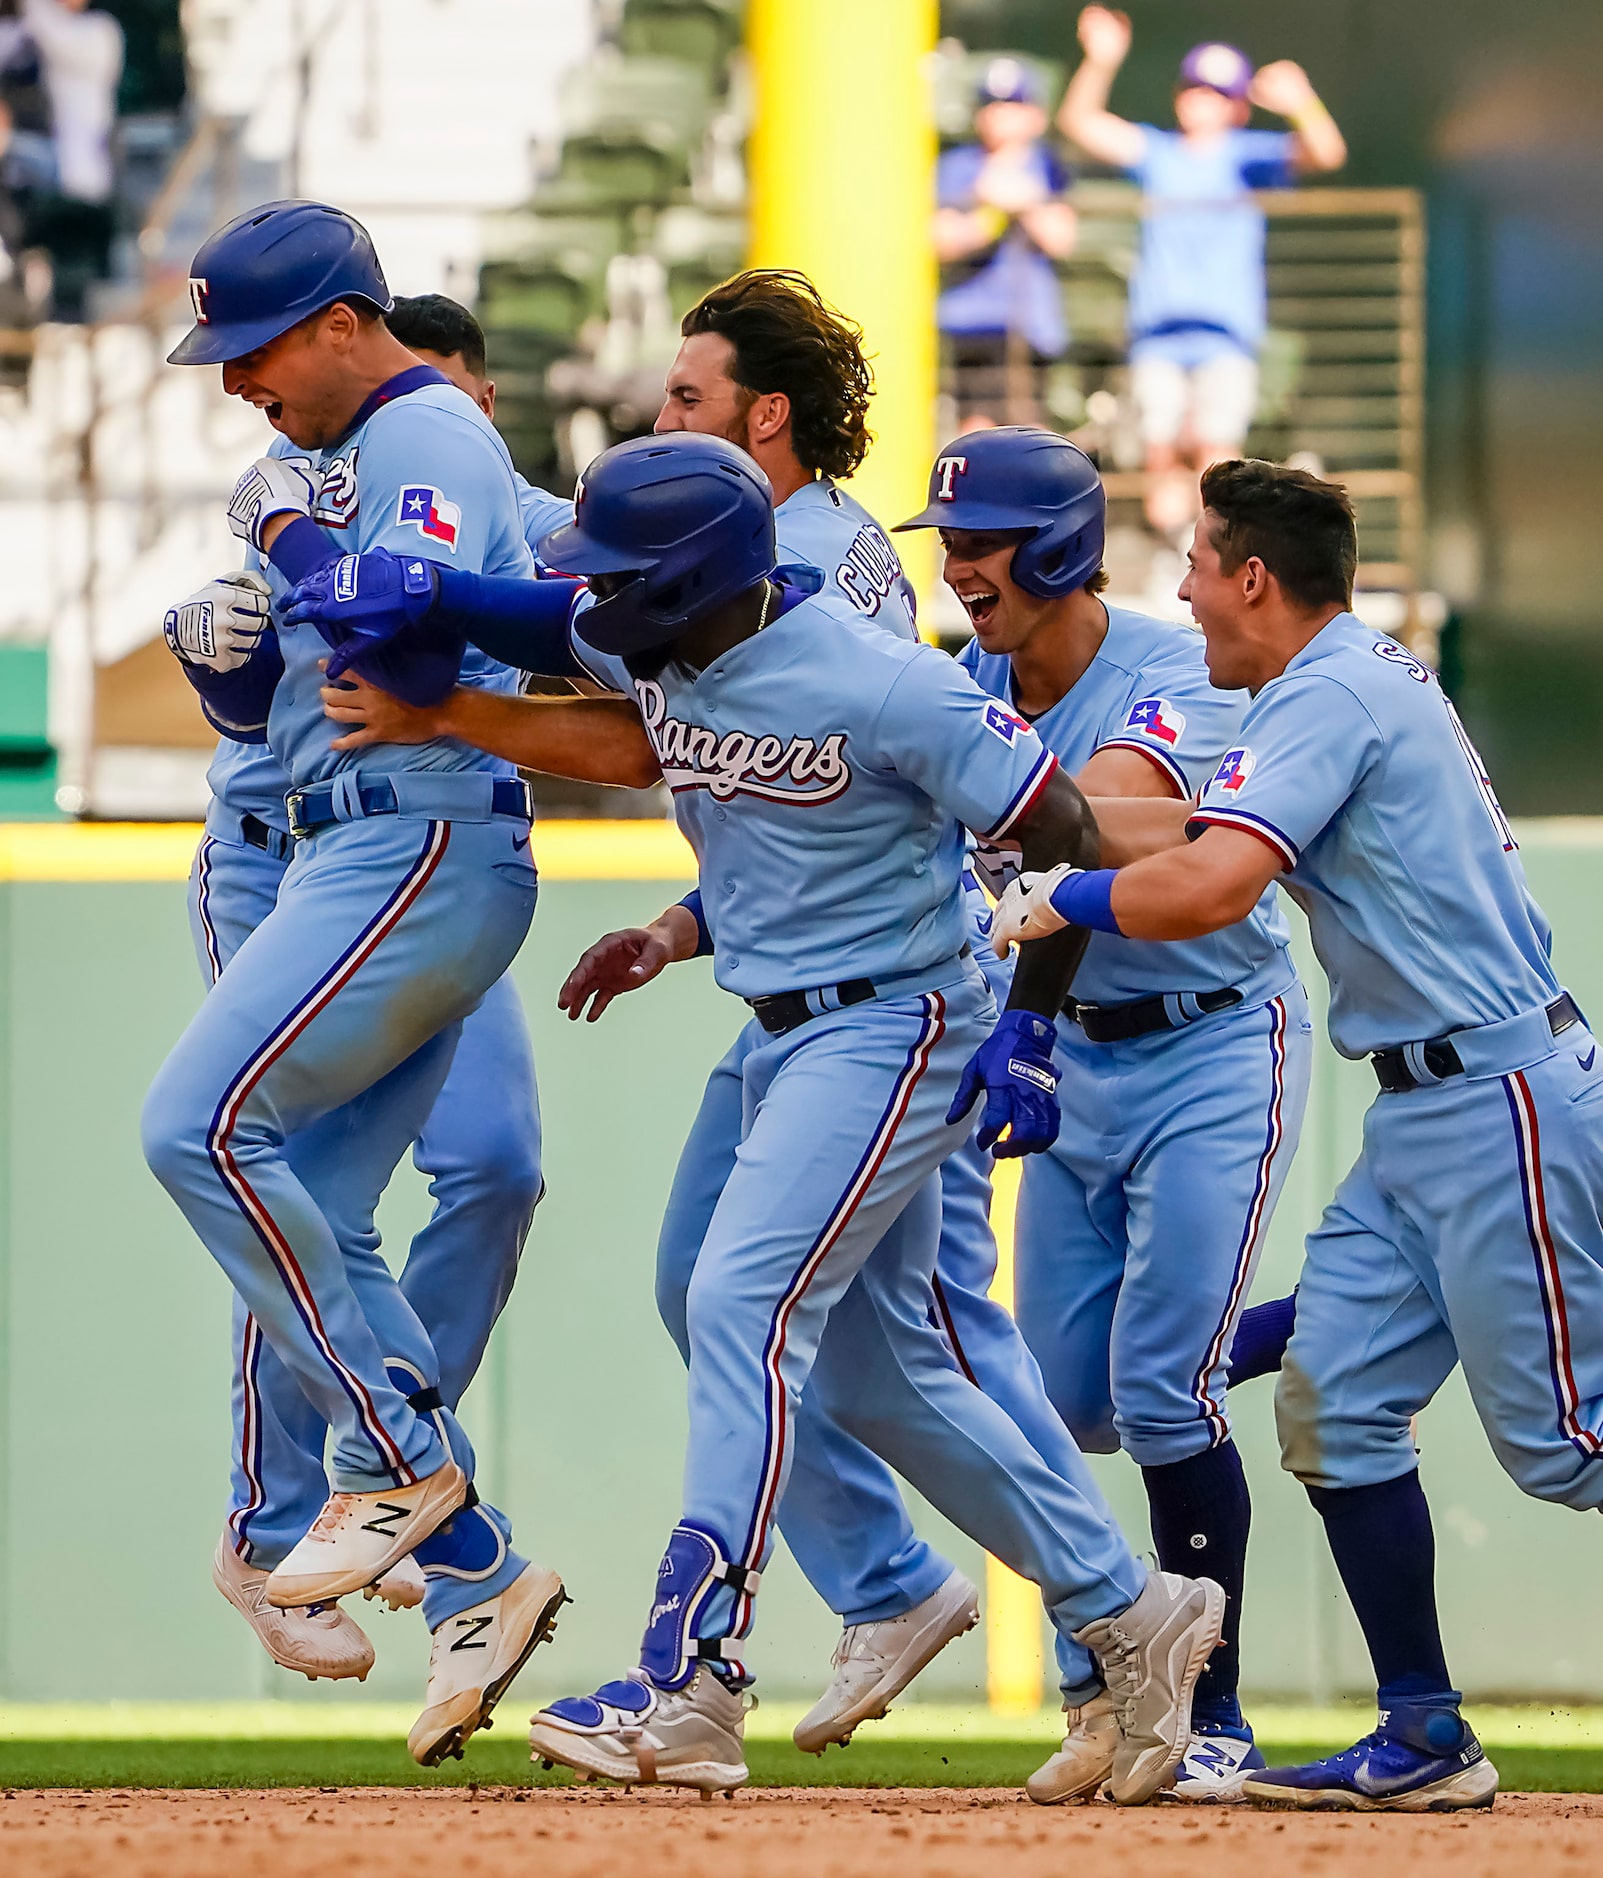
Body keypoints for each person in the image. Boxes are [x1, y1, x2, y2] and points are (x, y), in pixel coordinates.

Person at [294, 430, 1227, 1806]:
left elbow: (1061, 824)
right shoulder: (662, 636)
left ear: (691, 580)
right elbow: (562, 661)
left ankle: (693, 1679)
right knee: (837, 1350)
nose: (594, 602)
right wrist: (404, 625)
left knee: (745, 1307)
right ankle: (1124, 1608)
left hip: (896, 1019)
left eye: (620, 578)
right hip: (775, 1027)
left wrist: (1030, 1016)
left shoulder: (880, 676)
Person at [987, 457, 1601, 1812]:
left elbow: (1206, 883)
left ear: (1250, 576)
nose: (1187, 589)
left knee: (1565, 1445)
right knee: (1334, 1404)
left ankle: (1416, 1725)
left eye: (1199, 563)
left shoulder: (1324, 691)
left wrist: (1052, 896)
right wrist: (1036, 819)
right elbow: (1181, 821)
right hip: (1425, 1109)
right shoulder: (1328, 682)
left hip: (1495, 1095)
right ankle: (1424, 1730)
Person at [141, 202, 644, 1766]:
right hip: (358, 845)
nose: (237, 382)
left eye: (257, 348)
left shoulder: (424, 421)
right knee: (302, 1205)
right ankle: (480, 1570)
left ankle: (396, 1462)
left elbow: (397, 629)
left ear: (346, 324)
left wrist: (293, 539)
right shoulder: (369, 444)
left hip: (409, 849)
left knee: (200, 1132)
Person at [891, 425, 1311, 1801]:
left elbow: (1120, 810)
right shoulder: (962, 680)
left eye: (982, 541)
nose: (957, 566)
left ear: (1061, 546)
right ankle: (1334, 1319)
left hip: (1204, 1043)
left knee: (1160, 1388)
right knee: (1070, 1405)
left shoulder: (1167, 661)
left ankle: (1213, 1714)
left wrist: (996, 819)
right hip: (1068, 1054)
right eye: (946, 542)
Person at [1059, 8, 1346, 534]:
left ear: (1237, 106)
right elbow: (1079, 122)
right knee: (1159, 455)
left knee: (1218, 460)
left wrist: (1301, 101)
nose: (1201, 99)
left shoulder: (1246, 157)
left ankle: (1207, 560)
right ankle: (1175, 561)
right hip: (1157, 335)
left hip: (1225, 336)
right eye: (1194, 88)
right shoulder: (1160, 153)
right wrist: (1101, 62)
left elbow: (1327, 152)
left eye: (1216, 92)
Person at [935, 56, 1077, 430]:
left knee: (1030, 431)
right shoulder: (957, 167)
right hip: (974, 323)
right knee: (977, 430)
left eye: (1012, 104)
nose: (999, 115)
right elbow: (939, 239)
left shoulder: (1048, 165)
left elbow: (1061, 238)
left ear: (1034, 115)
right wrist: (991, 213)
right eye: (990, 104)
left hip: (1033, 324)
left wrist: (1024, 200)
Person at [20, 0, 121, 318]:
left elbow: (52, 35)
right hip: (50, 176)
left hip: (84, 179)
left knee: (77, 274)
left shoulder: (99, 30)